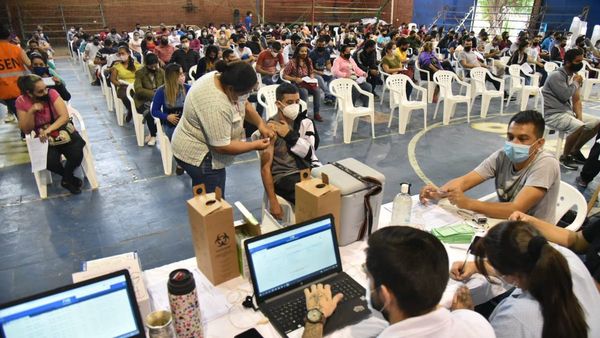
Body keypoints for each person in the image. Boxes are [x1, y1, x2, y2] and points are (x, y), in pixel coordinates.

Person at [300, 226, 495, 338]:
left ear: (385, 295)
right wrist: (464, 314)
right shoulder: (477, 324)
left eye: (370, 278)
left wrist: (315, 316)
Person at [451, 221, 600, 338]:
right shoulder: (562, 257)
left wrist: (464, 318)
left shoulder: (515, 318)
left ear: (512, 276)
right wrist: (479, 266)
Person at [420, 110, 560, 223]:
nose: (514, 143)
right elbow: (465, 180)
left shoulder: (546, 164)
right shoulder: (502, 156)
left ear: (540, 143)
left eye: (523, 139)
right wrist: (439, 193)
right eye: (510, 137)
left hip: (535, 234)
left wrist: (468, 203)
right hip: (506, 224)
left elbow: (517, 208)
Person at [170, 61, 274, 194]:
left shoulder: (222, 77)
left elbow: (244, 102)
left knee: (203, 198)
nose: (246, 95)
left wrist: (261, 124)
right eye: (245, 92)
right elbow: (221, 146)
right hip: (199, 155)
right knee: (214, 204)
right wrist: (254, 145)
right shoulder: (215, 105)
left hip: (195, 145)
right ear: (231, 89)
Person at [16, 75, 86, 194]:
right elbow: (26, 129)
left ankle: (66, 179)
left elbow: (64, 116)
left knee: (76, 153)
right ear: (29, 93)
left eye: (45, 88)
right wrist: (31, 111)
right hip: (42, 136)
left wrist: (49, 130)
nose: (45, 92)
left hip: (61, 129)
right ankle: (69, 178)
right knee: (49, 161)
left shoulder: (52, 93)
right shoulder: (21, 102)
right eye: (40, 91)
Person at [259, 83, 321, 219]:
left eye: (297, 102)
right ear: (278, 104)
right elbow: (265, 169)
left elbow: (311, 153)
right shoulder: (270, 128)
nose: (295, 106)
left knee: (335, 189)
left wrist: (289, 134)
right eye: (289, 102)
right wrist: (273, 201)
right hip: (285, 176)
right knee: (314, 202)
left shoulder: (304, 122)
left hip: (306, 171)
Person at [542, 48, 600, 170]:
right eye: (578, 61)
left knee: (596, 123)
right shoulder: (556, 76)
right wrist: (576, 83)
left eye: (582, 60)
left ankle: (575, 150)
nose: (580, 63)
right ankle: (564, 157)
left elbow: (576, 100)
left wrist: (579, 117)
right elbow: (565, 95)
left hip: (567, 113)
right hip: (554, 115)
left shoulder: (572, 76)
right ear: (568, 62)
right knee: (579, 126)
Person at [283, 43, 322, 122]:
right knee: (304, 92)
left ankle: (316, 113)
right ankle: (303, 113)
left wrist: (311, 76)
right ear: (298, 52)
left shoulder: (309, 60)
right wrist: (295, 79)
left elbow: (311, 72)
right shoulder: (292, 62)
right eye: (302, 51)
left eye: (305, 51)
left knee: (317, 91)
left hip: (307, 82)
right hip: (296, 83)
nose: (304, 53)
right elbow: (284, 75)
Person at [0, 24, 31, 124]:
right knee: (23, 113)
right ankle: (26, 134)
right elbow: (29, 64)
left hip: (4, 90)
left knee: (19, 112)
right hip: (21, 86)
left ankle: (25, 133)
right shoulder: (17, 49)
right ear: (9, 36)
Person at [133, 53, 164, 147]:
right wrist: (153, 93)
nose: (154, 68)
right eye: (152, 67)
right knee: (150, 112)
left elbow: (165, 85)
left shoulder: (161, 72)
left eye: (156, 66)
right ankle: (154, 135)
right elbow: (138, 90)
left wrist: (159, 94)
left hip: (158, 99)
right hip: (143, 100)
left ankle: (152, 133)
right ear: (146, 65)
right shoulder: (140, 73)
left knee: (164, 111)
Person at [111, 45, 142, 122]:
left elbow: (142, 74)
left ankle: (140, 111)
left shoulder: (136, 64)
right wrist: (119, 84)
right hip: (123, 86)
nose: (121, 56)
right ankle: (131, 110)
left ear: (128, 53)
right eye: (119, 54)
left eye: (123, 53)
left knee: (141, 95)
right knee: (126, 96)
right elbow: (113, 79)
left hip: (135, 85)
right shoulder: (117, 66)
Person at [308, 37, 335, 104]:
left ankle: (329, 95)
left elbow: (328, 63)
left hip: (323, 71)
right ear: (316, 45)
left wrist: (330, 69)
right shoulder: (312, 54)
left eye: (323, 45)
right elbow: (309, 68)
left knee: (332, 78)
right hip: (314, 73)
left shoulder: (326, 52)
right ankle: (328, 95)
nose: (321, 46)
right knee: (320, 79)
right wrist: (318, 72)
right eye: (320, 45)